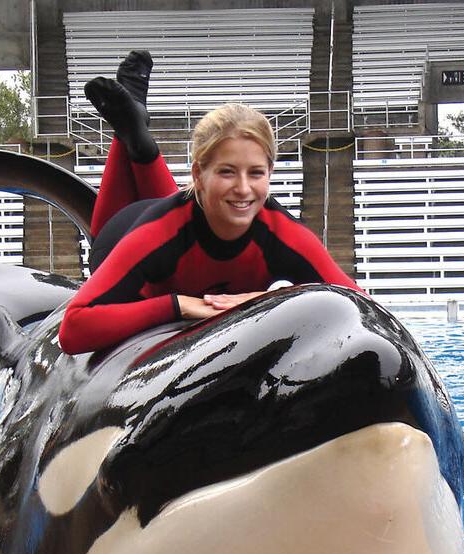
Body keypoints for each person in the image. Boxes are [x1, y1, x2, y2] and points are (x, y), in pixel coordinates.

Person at [58, 51, 363, 355]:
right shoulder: (156, 235)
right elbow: (73, 330)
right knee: (178, 221)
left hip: (184, 219)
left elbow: (365, 309)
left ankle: (136, 133)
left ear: (270, 173)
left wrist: (276, 298)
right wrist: (177, 305)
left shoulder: (282, 233)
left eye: (256, 173)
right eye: (227, 171)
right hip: (123, 236)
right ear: (198, 174)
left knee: (198, 211)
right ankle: (134, 139)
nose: (244, 188)